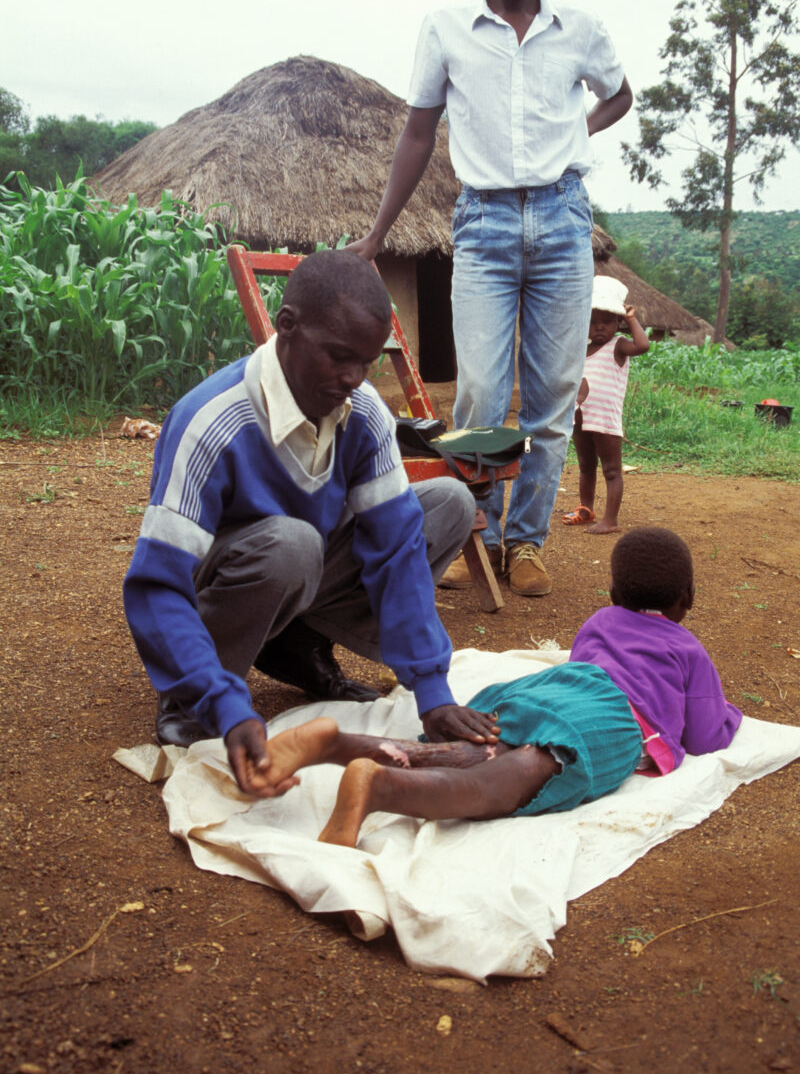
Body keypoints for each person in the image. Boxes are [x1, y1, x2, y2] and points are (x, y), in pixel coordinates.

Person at [123, 250, 501, 796]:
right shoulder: (212, 422)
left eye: (365, 363)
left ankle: (293, 643)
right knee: (290, 543)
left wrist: (432, 689)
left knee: (447, 503)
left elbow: (396, 549)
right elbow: (158, 586)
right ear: (287, 327)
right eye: (338, 356)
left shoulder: (364, 413)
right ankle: (193, 700)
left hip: (301, 571)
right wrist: (227, 703)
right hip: (232, 584)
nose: (352, 378)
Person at [347, 0, 633, 597]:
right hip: (484, 223)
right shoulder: (446, 29)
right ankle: (468, 532)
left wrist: (577, 134)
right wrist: (379, 232)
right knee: (477, 389)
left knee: (552, 394)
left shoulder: (580, 29)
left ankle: (524, 543)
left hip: (564, 220)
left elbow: (621, 94)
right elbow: (418, 132)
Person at [246, 528, 742, 847]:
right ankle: (384, 787)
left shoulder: (601, 620)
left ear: (612, 594)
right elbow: (704, 735)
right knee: (513, 777)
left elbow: (587, 665)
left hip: (554, 688)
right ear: (688, 599)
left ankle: (337, 744)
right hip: (608, 719)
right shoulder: (686, 648)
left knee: (480, 751)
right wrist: (730, 715)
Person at [562, 276, 650, 534]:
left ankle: (610, 520)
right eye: (592, 322)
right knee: (585, 466)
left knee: (611, 470)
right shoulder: (581, 350)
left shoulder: (619, 345)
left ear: (618, 322)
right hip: (581, 418)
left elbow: (643, 345)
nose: (599, 327)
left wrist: (631, 317)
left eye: (607, 321)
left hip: (606, 421)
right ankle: (586, 508)